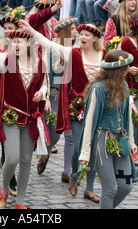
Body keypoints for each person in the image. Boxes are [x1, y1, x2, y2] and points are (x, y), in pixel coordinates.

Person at [21, 20, 104, 203]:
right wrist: (32, 32)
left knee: (94, 149)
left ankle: (89, 188)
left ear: (95, 38)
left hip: (98, 108)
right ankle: (74, 175)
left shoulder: (104, 56)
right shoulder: (72, 53)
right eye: (80, 34)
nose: (82, 37)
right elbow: (50, 45)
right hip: (77, 106)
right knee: (77, 146)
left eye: (86, 35)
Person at [0, 29, 48, 209]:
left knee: (26, 160)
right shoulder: (5, 60)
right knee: (13, 158)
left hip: (30, 117)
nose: (16, 44)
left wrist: (42, 92)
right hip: (10, 116)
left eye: (20, 42)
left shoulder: (39, 64)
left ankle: (20, 201)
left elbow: (45, 84)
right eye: (13, 41)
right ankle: (4, 188)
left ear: (29, 45)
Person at [79, 49, 137, 209]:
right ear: (118, 69)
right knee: (109, 189)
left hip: (120, 140)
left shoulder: (124, 85)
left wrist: (131, 143)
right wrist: (85, 152)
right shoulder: (98, 89)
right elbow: (89, 122)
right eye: (125, 66)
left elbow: (127, 117)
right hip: (101, 141)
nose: (128, 69)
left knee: (126, 186)